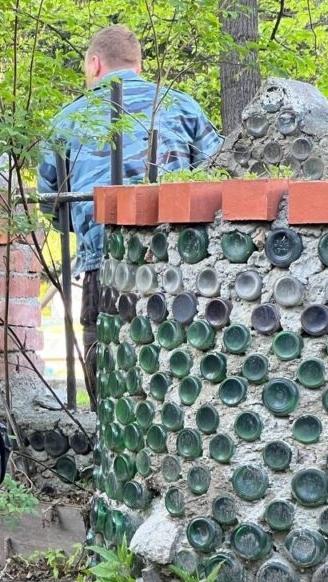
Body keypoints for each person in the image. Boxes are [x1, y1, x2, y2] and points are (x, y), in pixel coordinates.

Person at [37, 24, 223, 408]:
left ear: (94, 64)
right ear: (138, 64)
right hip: (176, 262)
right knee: (175, 359)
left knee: (102, 359)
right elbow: (218, 179)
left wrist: (85, 228)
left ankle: (108, 441)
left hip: (100, 261)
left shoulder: (67, 120)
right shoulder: (181, 105)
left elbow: (51, 201)